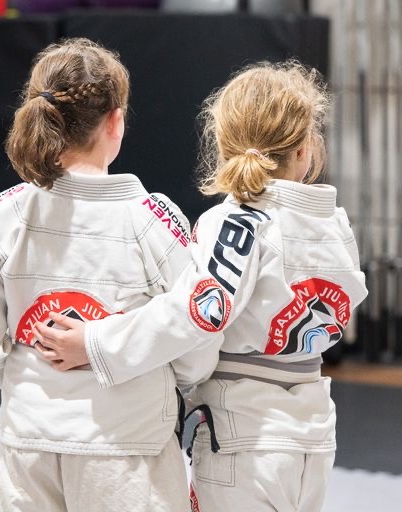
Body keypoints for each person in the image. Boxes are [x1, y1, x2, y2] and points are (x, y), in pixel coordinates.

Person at [33, 60, 369, 512]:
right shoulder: (334, 226)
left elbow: (195, 314)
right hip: (311, 434)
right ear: (305, 149)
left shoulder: (239, 223)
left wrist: (96, 343)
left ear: (224, 144)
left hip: (245, 436)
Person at [0, 37, 193, 512]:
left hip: (29, 440)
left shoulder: (4, 214)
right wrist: (142, 367)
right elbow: (197, 339)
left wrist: (28, 379)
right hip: (128, 442)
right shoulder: (154, 220)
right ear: (116, 121)